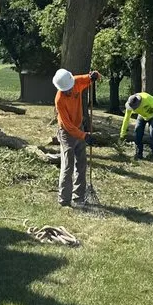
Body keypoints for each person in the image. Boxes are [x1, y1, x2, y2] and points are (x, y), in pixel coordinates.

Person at [53, 67, 101, 207]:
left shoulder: (75, 81)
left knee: (81, 164)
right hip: (66, 133)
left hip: (79, 126)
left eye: (69, 88)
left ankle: (78, 198)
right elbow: (67, 125)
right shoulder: (60, 99)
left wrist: (94, 75)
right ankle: (64, 200)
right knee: (68, 166)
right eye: (65, 90)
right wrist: (84, 136)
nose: (68, 91)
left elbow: (91, 78)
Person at [119, 92, 153, 159]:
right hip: (142, 116)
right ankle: (138, 153)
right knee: (137, 131)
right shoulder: (130, 105)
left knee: (152, 133)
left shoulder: (146, 99)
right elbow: (126, 119)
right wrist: (122, 133)